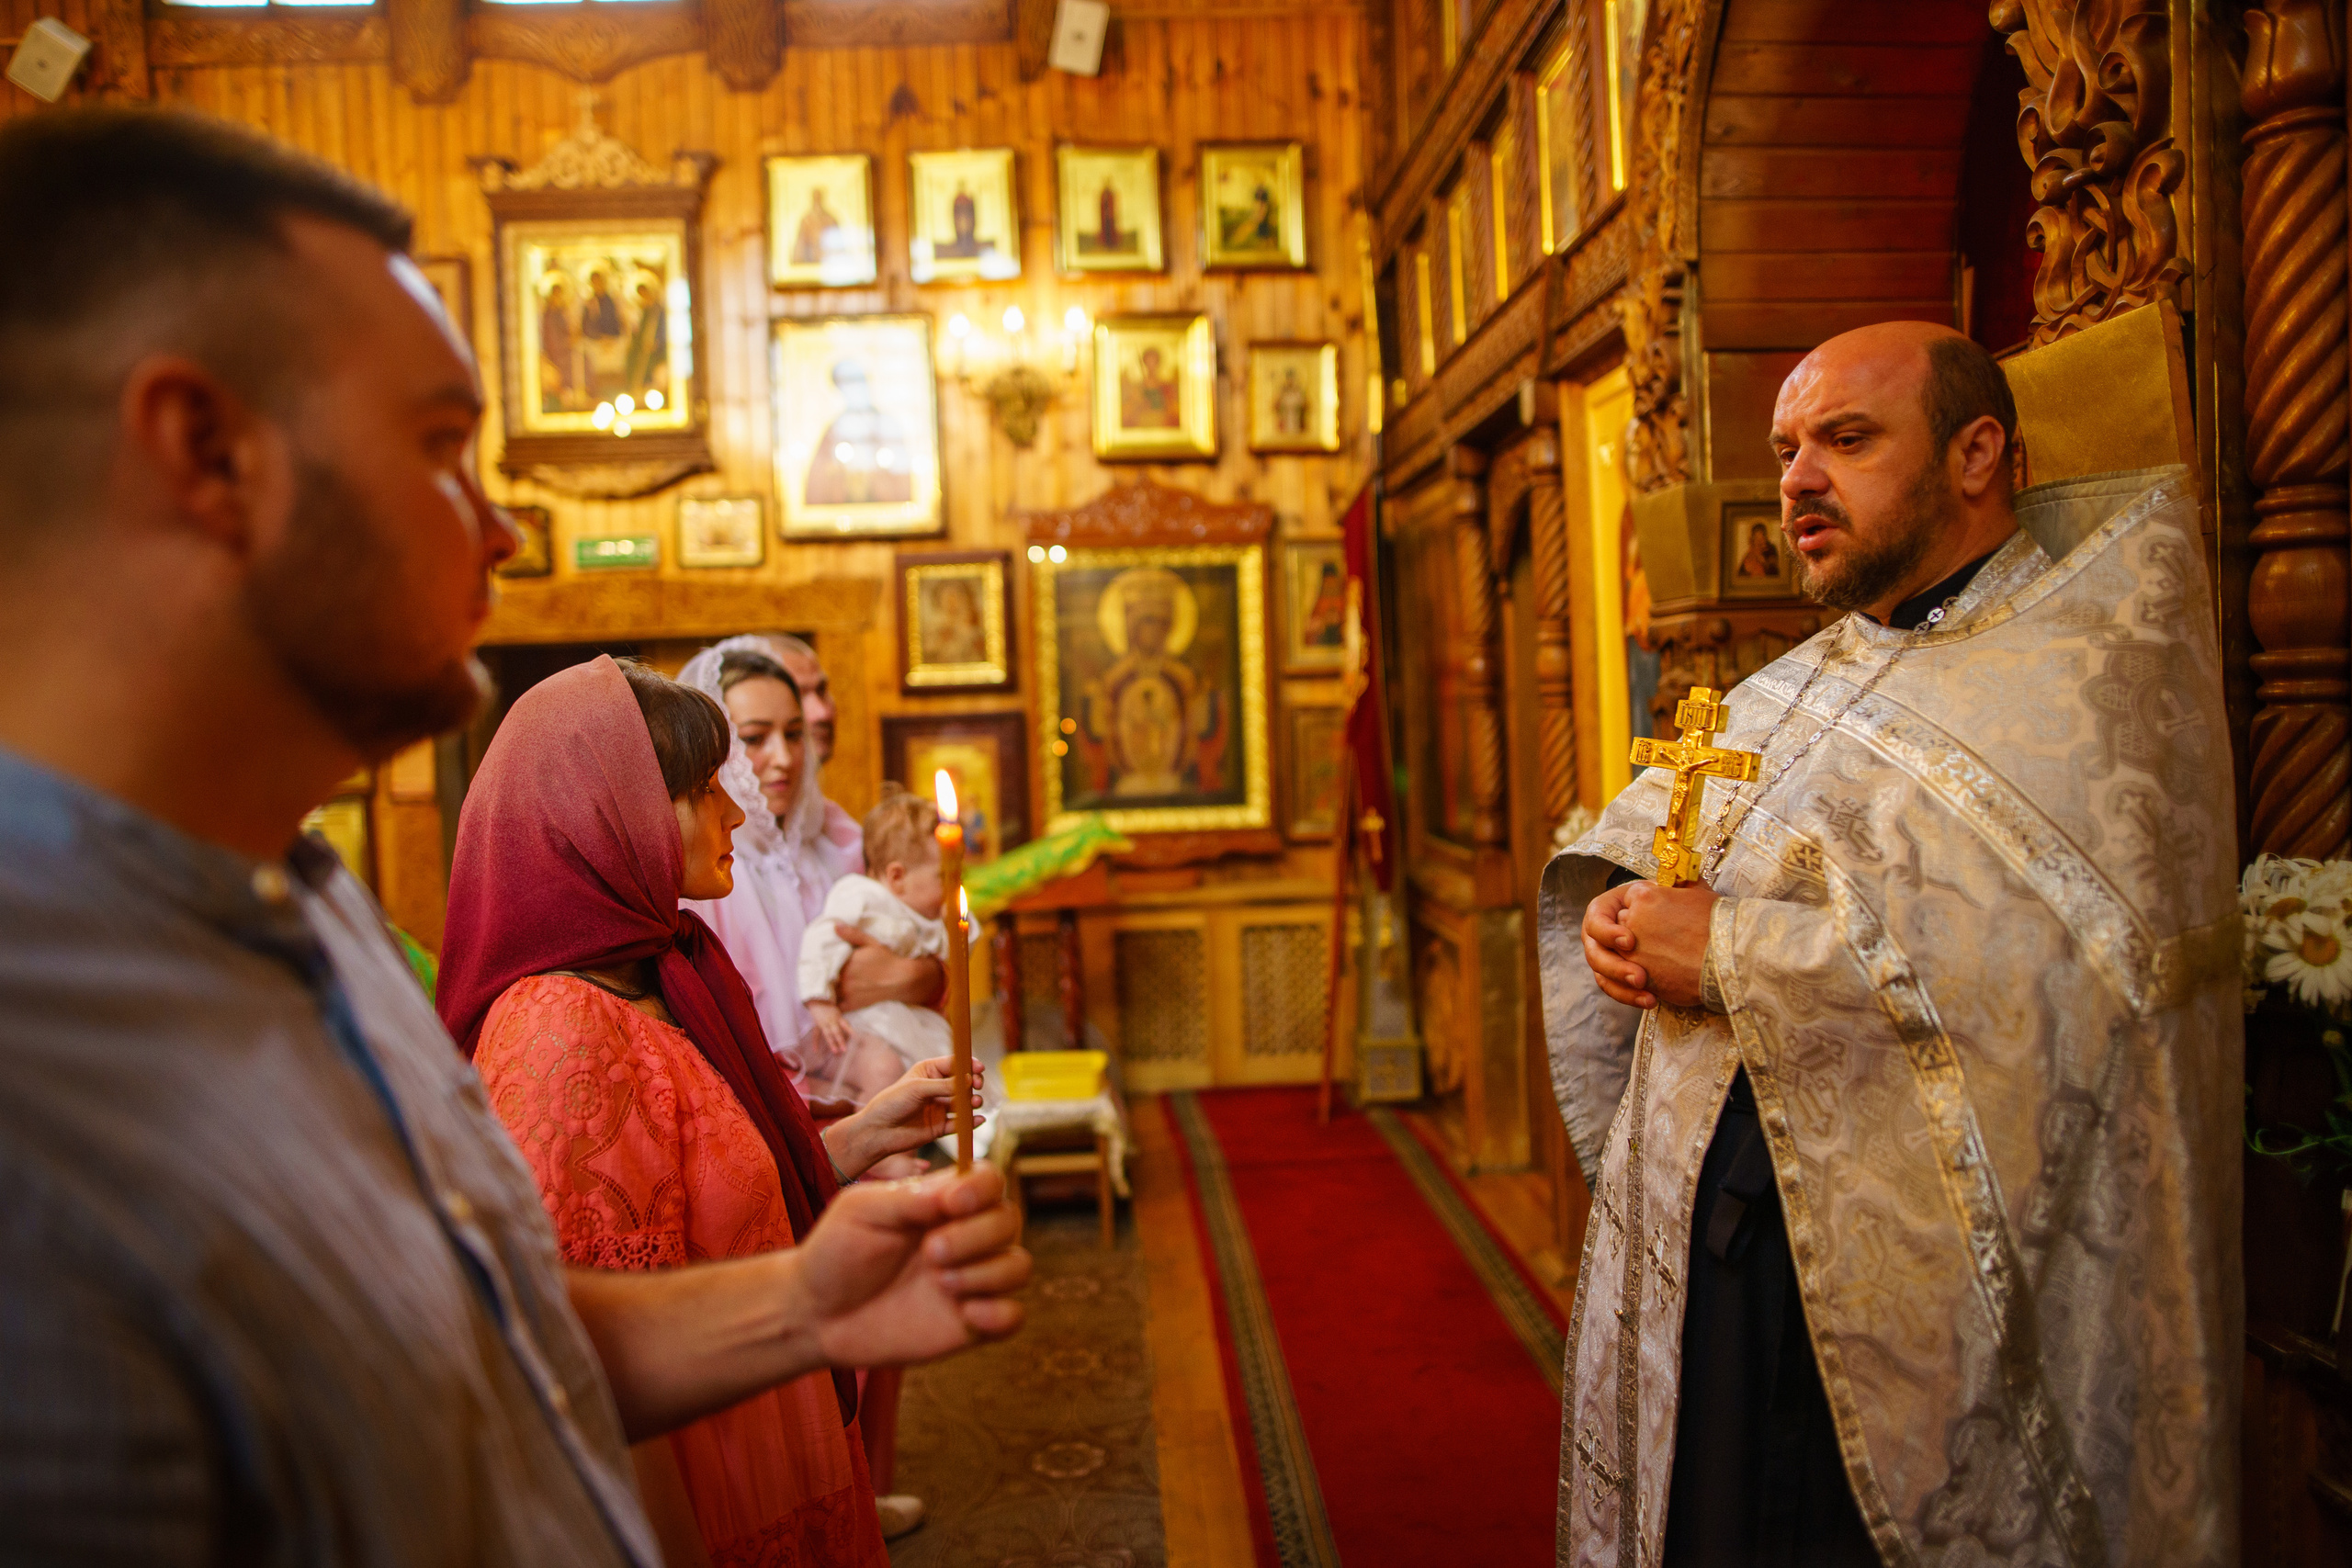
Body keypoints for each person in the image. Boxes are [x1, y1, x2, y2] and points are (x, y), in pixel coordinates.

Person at [0, 107, 1029, 1562]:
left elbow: (475, 1333)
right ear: (204, 452)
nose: (501, 530)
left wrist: (801, 1304)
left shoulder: (305, 902)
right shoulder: (37, 1077)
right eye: (438, 445)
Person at [1541, 321, 2238, 1565]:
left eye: (1846, 439)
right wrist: (1623, 918)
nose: (1797, 477)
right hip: (1730, 1253)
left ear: (1978, 453)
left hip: (1921, 1308)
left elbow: (2073, 982)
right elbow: (1672, 861)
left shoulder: (2086, 681)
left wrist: (1734, 956)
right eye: (1786, 446)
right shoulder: (1800, 680)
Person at [445, 656, 979, 1567]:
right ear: (606, 822)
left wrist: (862, 1131)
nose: (736, 812)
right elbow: (595, 1356)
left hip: (772, 1416)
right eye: (701, 791)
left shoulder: (667, 967)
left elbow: (716, 1186)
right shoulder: (561, 1037)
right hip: (704, 1471)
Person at [800, 787, 954, 1107]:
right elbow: (823, 936)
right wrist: (819, 999)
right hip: (858, 1025)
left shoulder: (929, 913)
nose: (955, 886)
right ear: (897, 876)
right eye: (944, 877)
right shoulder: (863, 897)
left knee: (937, 1070)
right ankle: (883, 1152)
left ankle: (923, 1142)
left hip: (904, 1019)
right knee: (884, 1072)